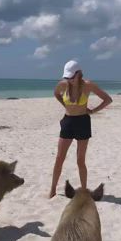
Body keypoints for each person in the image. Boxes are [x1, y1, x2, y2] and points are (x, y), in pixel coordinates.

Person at [49, 60, 112, 198]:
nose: (69, 80)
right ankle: (52, 190)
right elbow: (56, 94)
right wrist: (65, 106)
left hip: (83, 122)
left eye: (71, 77)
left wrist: (94, 111)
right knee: (59, 158)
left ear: (78, 74)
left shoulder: (88, 85)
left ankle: (84, 191)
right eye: (67, 77)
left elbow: (107, 99)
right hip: (68, 122)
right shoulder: (63, 84)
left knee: (80, 160)